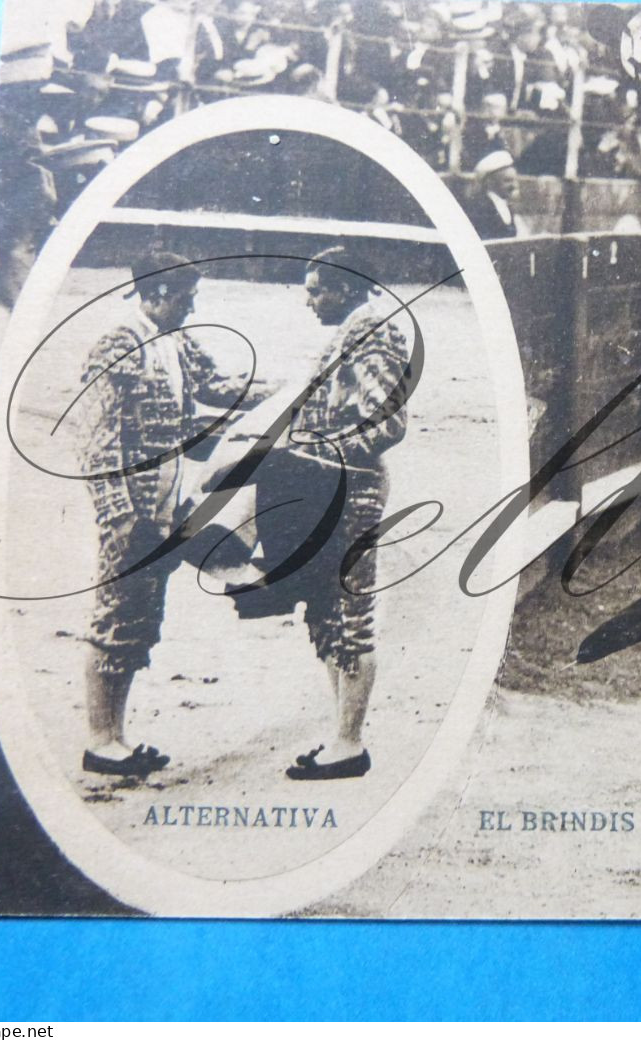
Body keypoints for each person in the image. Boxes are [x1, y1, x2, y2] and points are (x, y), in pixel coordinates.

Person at [76, 251, 259, 777]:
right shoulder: (117, 345)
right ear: (156, 294)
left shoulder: (174, 339)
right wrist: (116, 512)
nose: (190, 306)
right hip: (132, 505)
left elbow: (219, 387)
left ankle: (115, 737)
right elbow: (97, 440)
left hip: (166, 498)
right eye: (184, 296)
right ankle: (100, 738)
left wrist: (283, 393)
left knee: (140, 613)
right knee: (115, 612)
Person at [272, 246, 414, 780]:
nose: (308, 301)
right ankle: (340, 738)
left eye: (316, 290)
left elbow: (390, 422)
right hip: (329, 485)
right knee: (329, 611)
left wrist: (326, 451)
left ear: (346, 288)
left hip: (349, 488)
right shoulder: (358, 327)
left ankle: (349, 743)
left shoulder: (372, 330)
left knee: (350, 612)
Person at [459, 149, 528, 240]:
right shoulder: (480, 208)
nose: (514, 185)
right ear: (490, 182)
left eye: (515, 180)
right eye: (507, 181)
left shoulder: (506, 205)